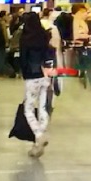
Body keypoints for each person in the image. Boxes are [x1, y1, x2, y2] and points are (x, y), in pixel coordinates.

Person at [17, 9, 56, 158]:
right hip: (45, 75)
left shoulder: (25, 38)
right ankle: (40, 136)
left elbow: (23, 58)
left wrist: (23, 72)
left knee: (28, 108)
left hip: (31, 76)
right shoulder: (44, 35)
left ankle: (39, 135)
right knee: (42, 107)